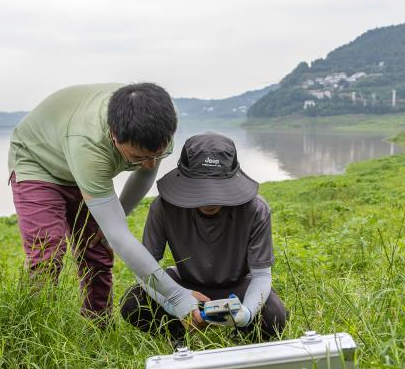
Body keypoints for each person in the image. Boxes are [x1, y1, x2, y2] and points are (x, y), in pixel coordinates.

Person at [7, 82, 206, 325]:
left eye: (157, 155)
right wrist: (178, 297)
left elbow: (144, 175)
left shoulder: (160, 119)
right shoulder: (89, 143)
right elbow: (118, 234)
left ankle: (98, 326)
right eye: (137, 157)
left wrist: (116, 216)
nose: (150, 164)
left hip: (79, 156)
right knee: (47, 254)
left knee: (97, 248)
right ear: (113, 134)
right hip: (38, 161)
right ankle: (33, 329)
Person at [120, 132, 289, 343]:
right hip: (185, 284)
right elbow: (145, 270)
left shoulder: (255, 209)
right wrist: (177, 302)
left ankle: (240, 336)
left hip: (236, 287)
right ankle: (179, 335)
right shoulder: (163, 207)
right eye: (199, 189)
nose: (209, 200)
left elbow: (262, 276)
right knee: (133, 302)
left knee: (274, 315)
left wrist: (246, 315)